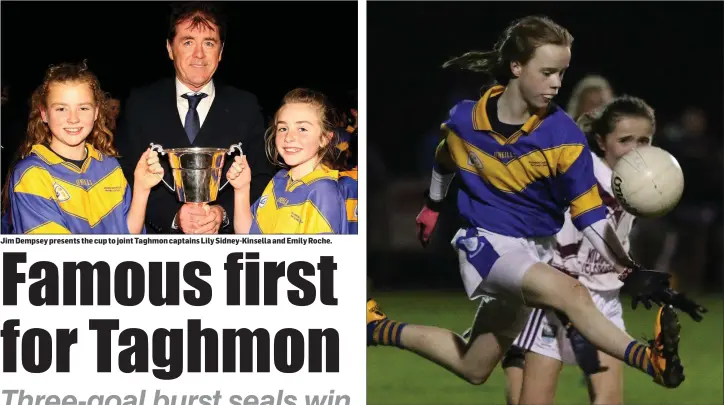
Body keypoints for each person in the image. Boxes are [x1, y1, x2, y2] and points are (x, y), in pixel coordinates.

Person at [367, 15, 704, 391]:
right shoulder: (466, 119)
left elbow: (589, 212)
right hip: (487, 244)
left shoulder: (564, 136)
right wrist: (433, 205)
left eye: (561, 73)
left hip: (535, 252)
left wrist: (629, 269)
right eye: (547, 72)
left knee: (474, 365)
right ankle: (650, 359)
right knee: (570, 293)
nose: (556, 83)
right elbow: (446, 157)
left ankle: (377, 327)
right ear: (516, 66)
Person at [500, 96, 658, 405]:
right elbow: (555, 256)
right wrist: (571, 319)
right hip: (556, 300)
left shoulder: (639, 183)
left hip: (605, 300)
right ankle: (512, 354)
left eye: (644, 140)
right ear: (601, 141)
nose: (636, 148)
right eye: (625, 140)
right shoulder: (580, 180)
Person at [115, 1, 274, 234]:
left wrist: (224, 213)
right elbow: (125, 173)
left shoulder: (246, 106)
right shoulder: (140, 104)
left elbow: (262, 175)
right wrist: (173, 216)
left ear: (220, 52)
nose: (199, 54)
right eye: (188, 42)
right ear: (170, 48)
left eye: (209, 43)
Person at [1, 61, 163, 234]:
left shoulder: (109, 166)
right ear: (44, 114)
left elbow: (128, 236)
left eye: (83, 108)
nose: (73, 118)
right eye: (61, 109)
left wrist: (141, 189)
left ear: (96, 112)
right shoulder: (32, 174)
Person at [225, 88, 347, 234]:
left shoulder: (323, 192)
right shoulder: (279, 180)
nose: (289, 137)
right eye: (283, 128)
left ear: (324, 138)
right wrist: (242, 189)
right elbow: (248, 236)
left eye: (302, 129)